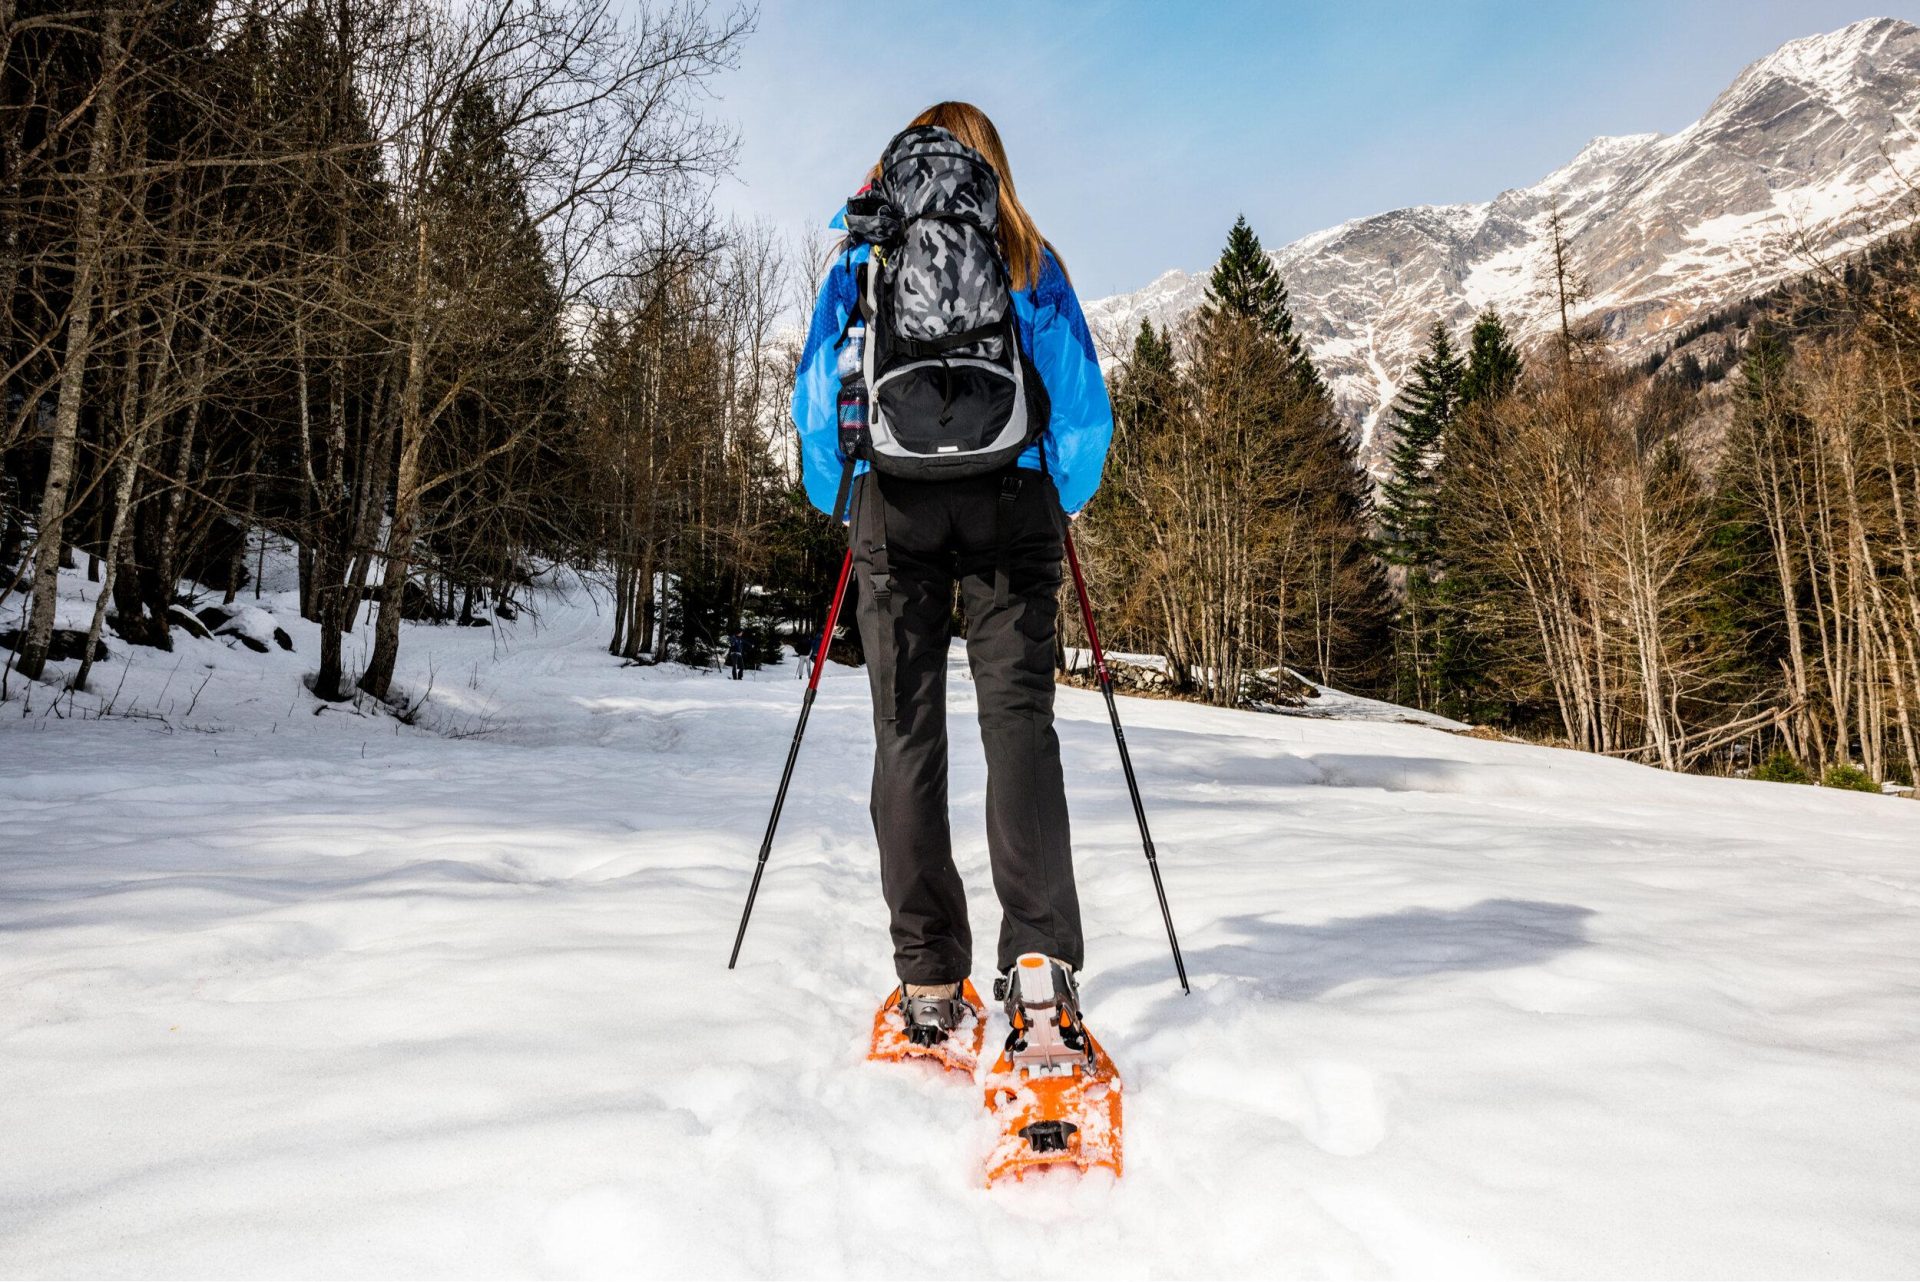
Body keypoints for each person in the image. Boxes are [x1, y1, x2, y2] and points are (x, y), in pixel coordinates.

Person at [790, 102, 1114, 1044]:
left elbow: (820, 401)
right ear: (992, 167)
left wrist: (844, 497)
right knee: (1019, 723)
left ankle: (930, 981)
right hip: (1012, 503)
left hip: (895, 507)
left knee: (907, 729)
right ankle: (1042, 969)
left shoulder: (865, 255)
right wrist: (1061, 490)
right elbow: (1082, 410)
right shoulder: (1024, 253)